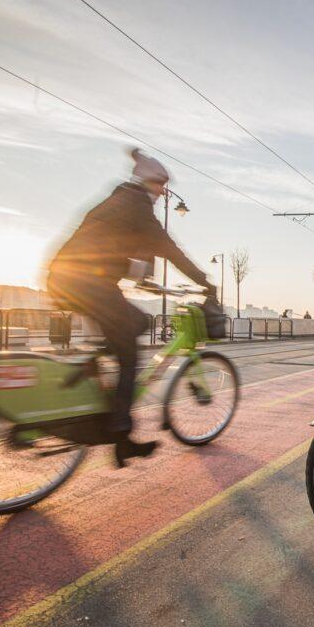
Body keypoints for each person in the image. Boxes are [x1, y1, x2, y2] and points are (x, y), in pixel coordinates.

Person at [47, 149, 216, 467]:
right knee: (129, 352)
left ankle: (92, 366)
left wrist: (143, 278)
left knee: (138, 322)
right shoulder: (136, 205)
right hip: (85, 282)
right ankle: (121, 432)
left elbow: (112, 248)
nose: (162, 192)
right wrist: (204, 281)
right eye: (160, 184)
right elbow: (169, 248)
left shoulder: (120, 201)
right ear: (146, 181)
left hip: (69, 279)